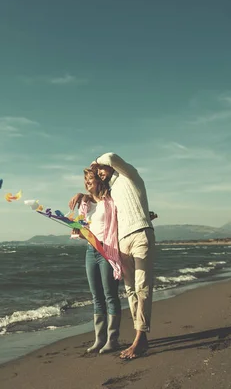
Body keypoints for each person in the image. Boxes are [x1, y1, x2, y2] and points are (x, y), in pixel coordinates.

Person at [69, 152, 156, 360]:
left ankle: (135, 338)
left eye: (97, 173)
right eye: (91, 176)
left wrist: (96, 163)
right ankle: (107, 338)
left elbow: (111, 157)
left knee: (140, 286)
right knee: (129, 291)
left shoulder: (128, 175)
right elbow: (91, 214)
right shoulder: (103, 195)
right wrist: (83, 200)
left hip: (132, 238)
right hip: (116, 243)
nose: (96, 175)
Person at [73, 166, 123, 354]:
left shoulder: (110, 200)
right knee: (96, 297)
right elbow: (82, 227)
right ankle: (99, 339)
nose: (87, 183)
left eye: (90, 179)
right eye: (85, 180)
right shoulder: (85, 204)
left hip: (107, 250)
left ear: (100, 181)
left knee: (110, 295)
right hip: (90, 251)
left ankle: (112, 339)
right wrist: (78, 229)